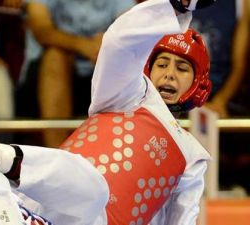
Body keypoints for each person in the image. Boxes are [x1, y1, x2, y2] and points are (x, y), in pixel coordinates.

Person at [56, 0, 215, 224]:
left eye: (181, 68)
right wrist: (176, 6)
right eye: (162, 65)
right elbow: (118, 43)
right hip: (49, 208)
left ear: (198, 84)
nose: (169, 74)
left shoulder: (193, 155)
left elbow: (182, 220)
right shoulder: (126, 95)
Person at [17, 0, 136, 147]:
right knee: (56, 56)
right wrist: (82, 45)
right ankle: (57, 158)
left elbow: (132, 29)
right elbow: (42, 30)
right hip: (42, 77)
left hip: (97, 74)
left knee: (124, 60)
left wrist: (108, 41)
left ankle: (121, 154)